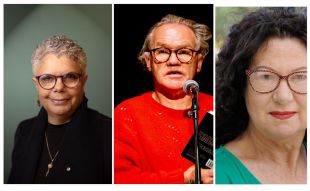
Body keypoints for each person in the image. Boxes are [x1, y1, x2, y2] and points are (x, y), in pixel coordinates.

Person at [114, 14, 213, 184]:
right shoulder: (126, 114)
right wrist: (184, 179)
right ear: (148, 61)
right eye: (162, 52)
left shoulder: (220, 106)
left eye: (184, 52)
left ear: (199, 62)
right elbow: (119, 180)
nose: (173, 61)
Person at [216, 7, 306, 184]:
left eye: (301, 76)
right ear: (240, 84)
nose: (283, 97)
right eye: (266, 76)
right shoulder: (217, 176)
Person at [8, 35, 112, 184]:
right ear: (36, 84)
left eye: (70, 77)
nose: (58, 87)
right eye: (47, 78)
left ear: (83, 81)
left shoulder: (109, 132)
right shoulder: (24, 130)